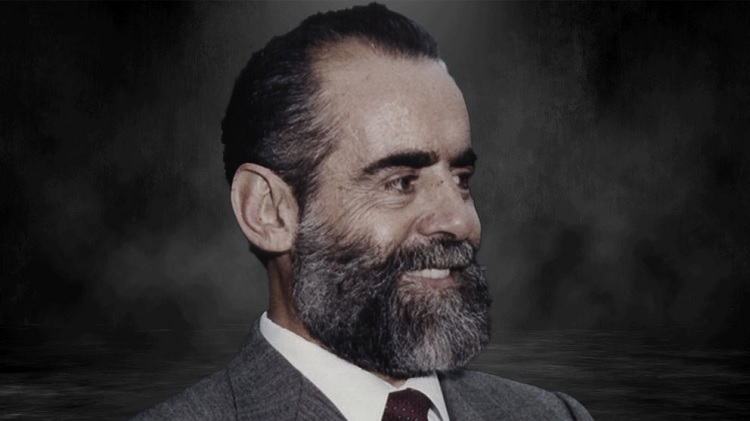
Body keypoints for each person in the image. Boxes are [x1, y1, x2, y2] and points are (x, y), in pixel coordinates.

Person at [133, 3, 593, 420]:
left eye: (461, 179)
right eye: (401, 182)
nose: (460, 222)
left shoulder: (555, 416)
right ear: (268, 212)